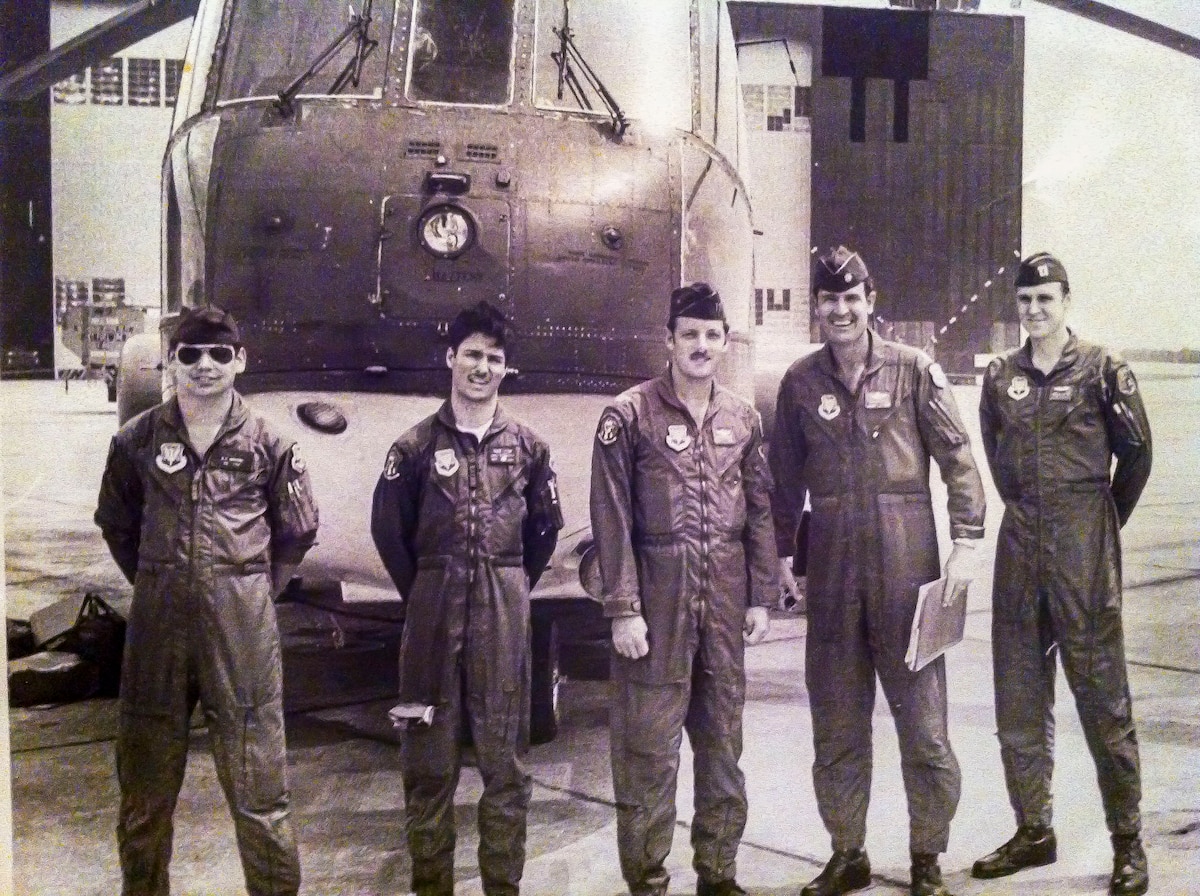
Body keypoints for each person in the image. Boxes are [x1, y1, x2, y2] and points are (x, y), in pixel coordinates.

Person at [769, 247, 986, 896]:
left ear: (871, 300)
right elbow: (781, 479)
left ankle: (927, 858)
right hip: (833, 577)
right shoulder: (800, 383)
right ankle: (847, 854)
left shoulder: (916, 370)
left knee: (924, 733)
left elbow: (957, 455)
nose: (840, 310)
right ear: (817, 305)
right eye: (829, 300)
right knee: (836, 730)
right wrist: (781, 553)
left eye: (851, 298)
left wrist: (967, 538)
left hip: (906, 573)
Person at [95, 306, 319, 896]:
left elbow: (297, 530)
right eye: (190, 354)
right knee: (143, 799)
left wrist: (251, 589)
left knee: (261, 798)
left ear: (240, 361)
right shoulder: (136, 440)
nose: (204, 366)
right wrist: (158, 580)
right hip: (157, 635)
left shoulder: (271, 443)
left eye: (220, 354)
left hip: (241, 632)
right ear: (171, 361)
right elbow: (117, 523)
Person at [972, 253, 1152, 896]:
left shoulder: (1104, 369)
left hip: (1083, 550)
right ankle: (1034, 831)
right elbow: (997, 454)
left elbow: (1136, 456)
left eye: (1046, 299)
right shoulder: (1001, 376)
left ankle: (1128, 842)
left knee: (1103, 701)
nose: (1035, 311)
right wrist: (1033, 510)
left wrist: (1097, 524)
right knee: (1019, 701)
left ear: (1067, 300)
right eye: (1025, 301)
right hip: (1020, 546)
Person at [590, 283, 777, 896]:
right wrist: (623, 608)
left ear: (724, 343)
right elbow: (611, 516)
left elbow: (759, 508)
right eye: (689, 334)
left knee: (724, 744)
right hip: (657, 600)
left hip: (723, 599)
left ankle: (717, 872)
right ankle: (647, 879)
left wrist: (760, 594)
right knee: (649, 754)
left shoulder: (741, 418)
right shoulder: (629, 415)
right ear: (668, 339)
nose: (701, 345)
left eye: (712, 335)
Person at [370, 300, 563, 896]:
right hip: (432, 611)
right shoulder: (414, 448)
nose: (482, 367)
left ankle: (502, 887)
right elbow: (388, 528)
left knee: (506, 767)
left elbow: (545, 530)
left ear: (506, 368)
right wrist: (427, 591)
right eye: (472, 354)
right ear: (450, 358)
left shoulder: (529, 448)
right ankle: (433, 886)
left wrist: (507, 587)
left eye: (495, 358)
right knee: (429, 767)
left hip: (505, 609)